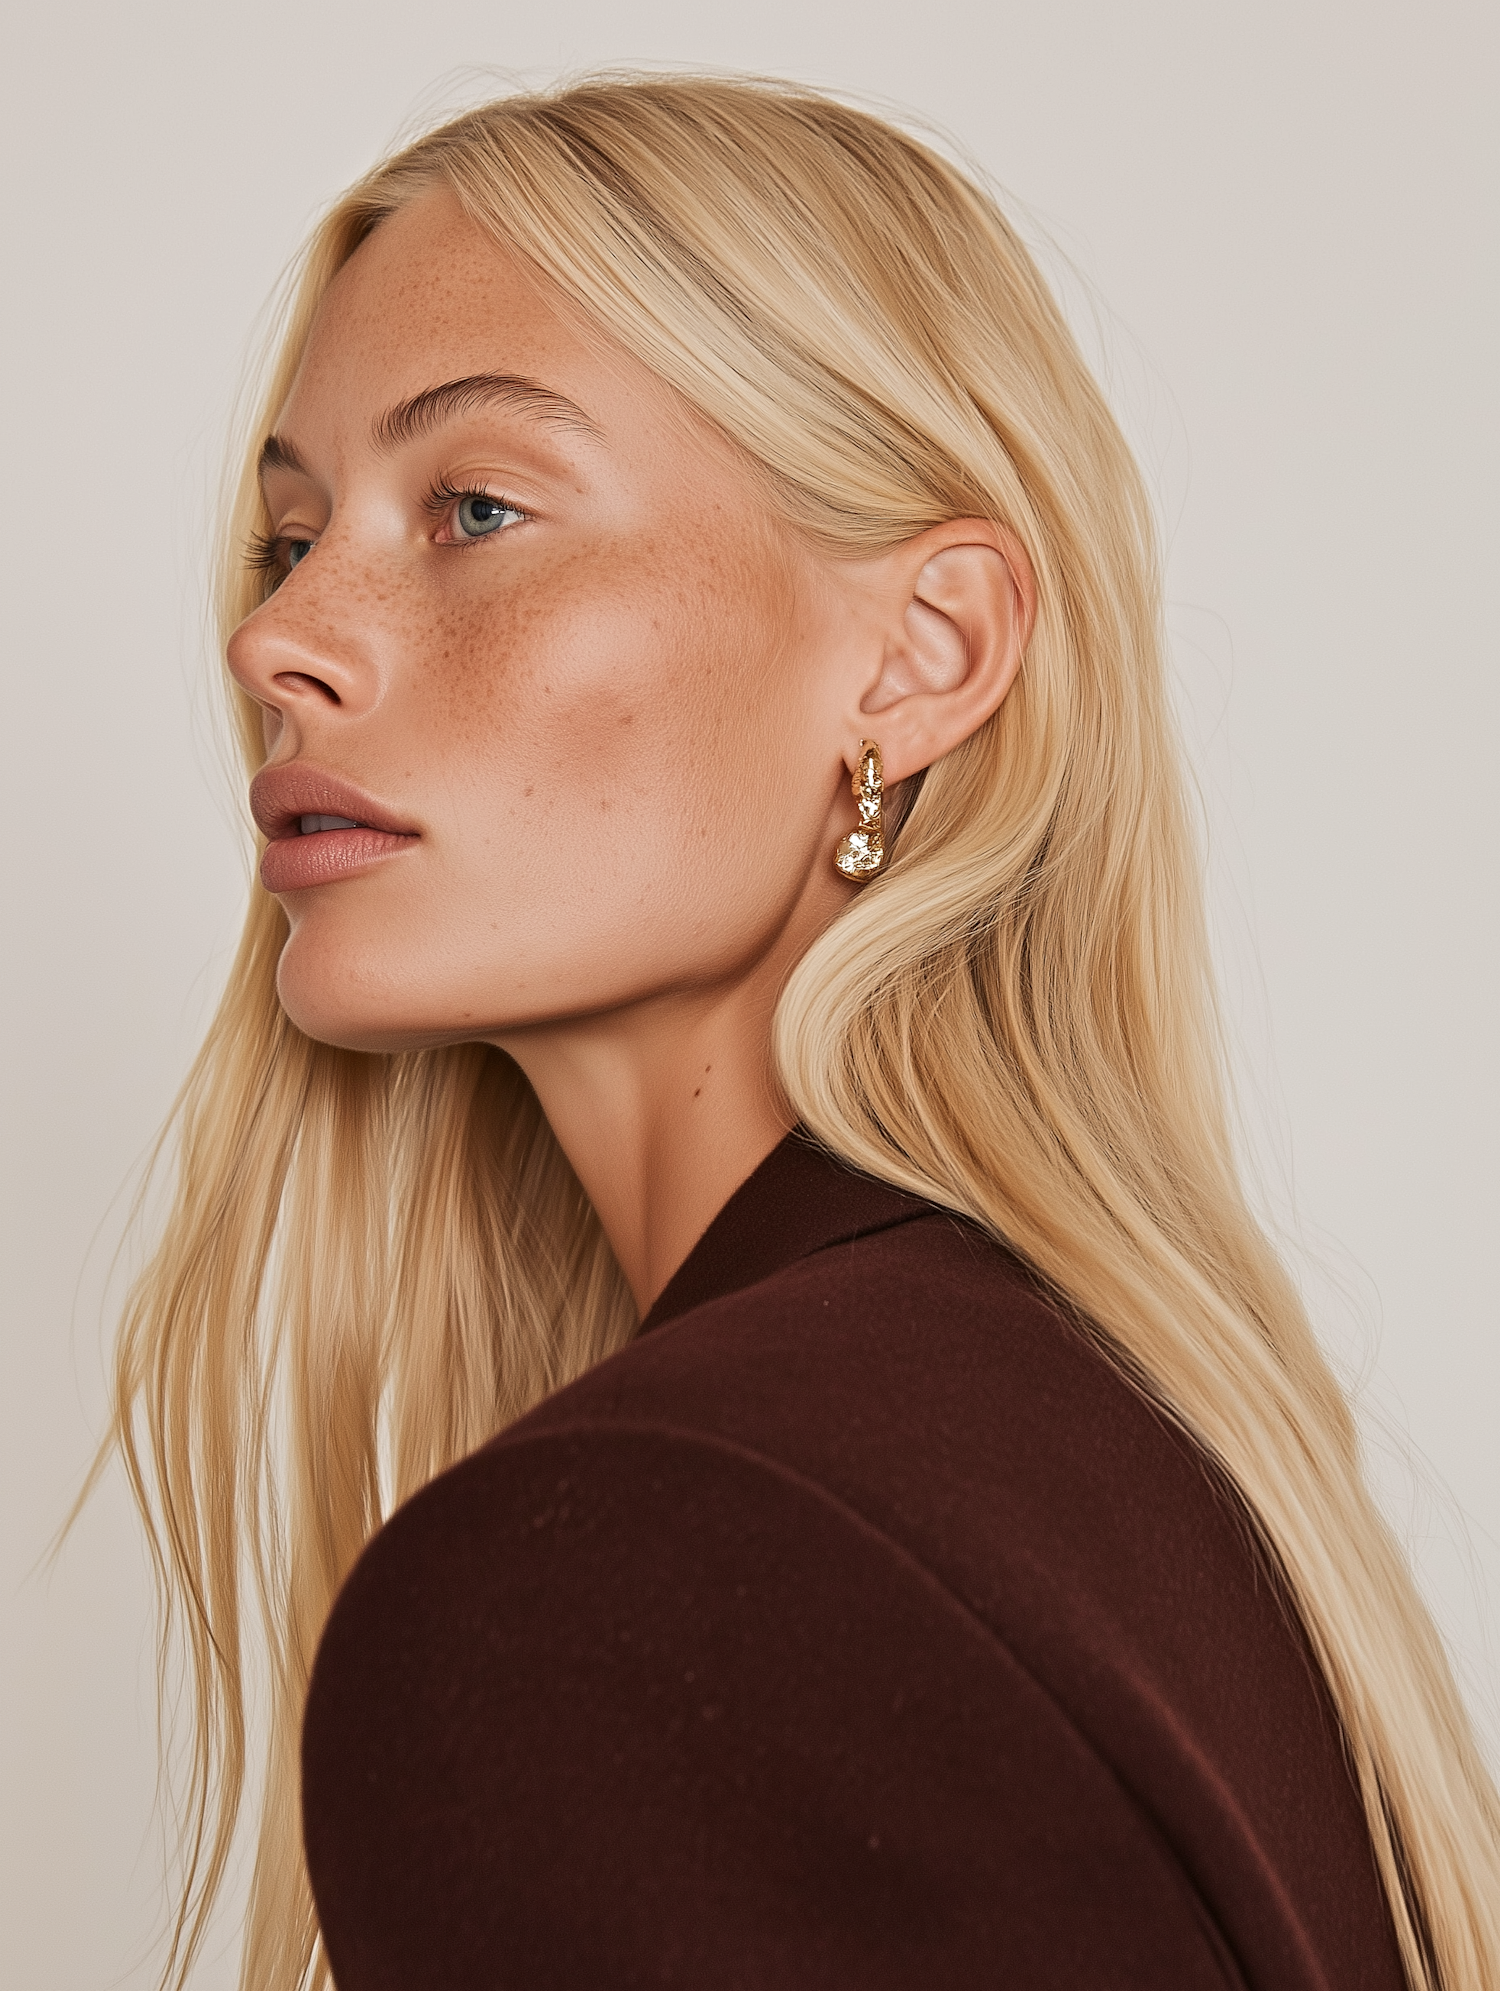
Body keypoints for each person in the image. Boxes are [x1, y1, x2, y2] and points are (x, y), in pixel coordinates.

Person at [103, 73, 1500, 1991]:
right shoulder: (1126, 1456)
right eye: (289, 537)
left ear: (923, 653)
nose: (279, 637)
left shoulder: (654, 1555)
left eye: (477, 507)